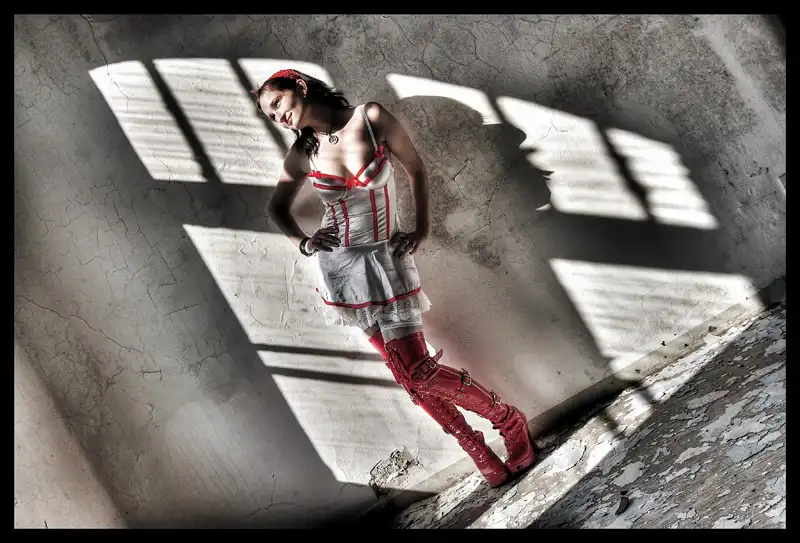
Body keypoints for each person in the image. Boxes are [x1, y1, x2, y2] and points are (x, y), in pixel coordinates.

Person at [253, 69, 536, 487]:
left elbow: (416, 169)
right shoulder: (302, 154)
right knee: (406, 376)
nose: (278, 117)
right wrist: (306, 243)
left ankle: (508, 420)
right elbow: (277, 208)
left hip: (387, 259)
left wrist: (420, 228)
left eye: (277, 104)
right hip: (341, 272)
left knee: (417, 370)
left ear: (300, 87)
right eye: (270, 116)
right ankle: (477, 450)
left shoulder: (370, 117)